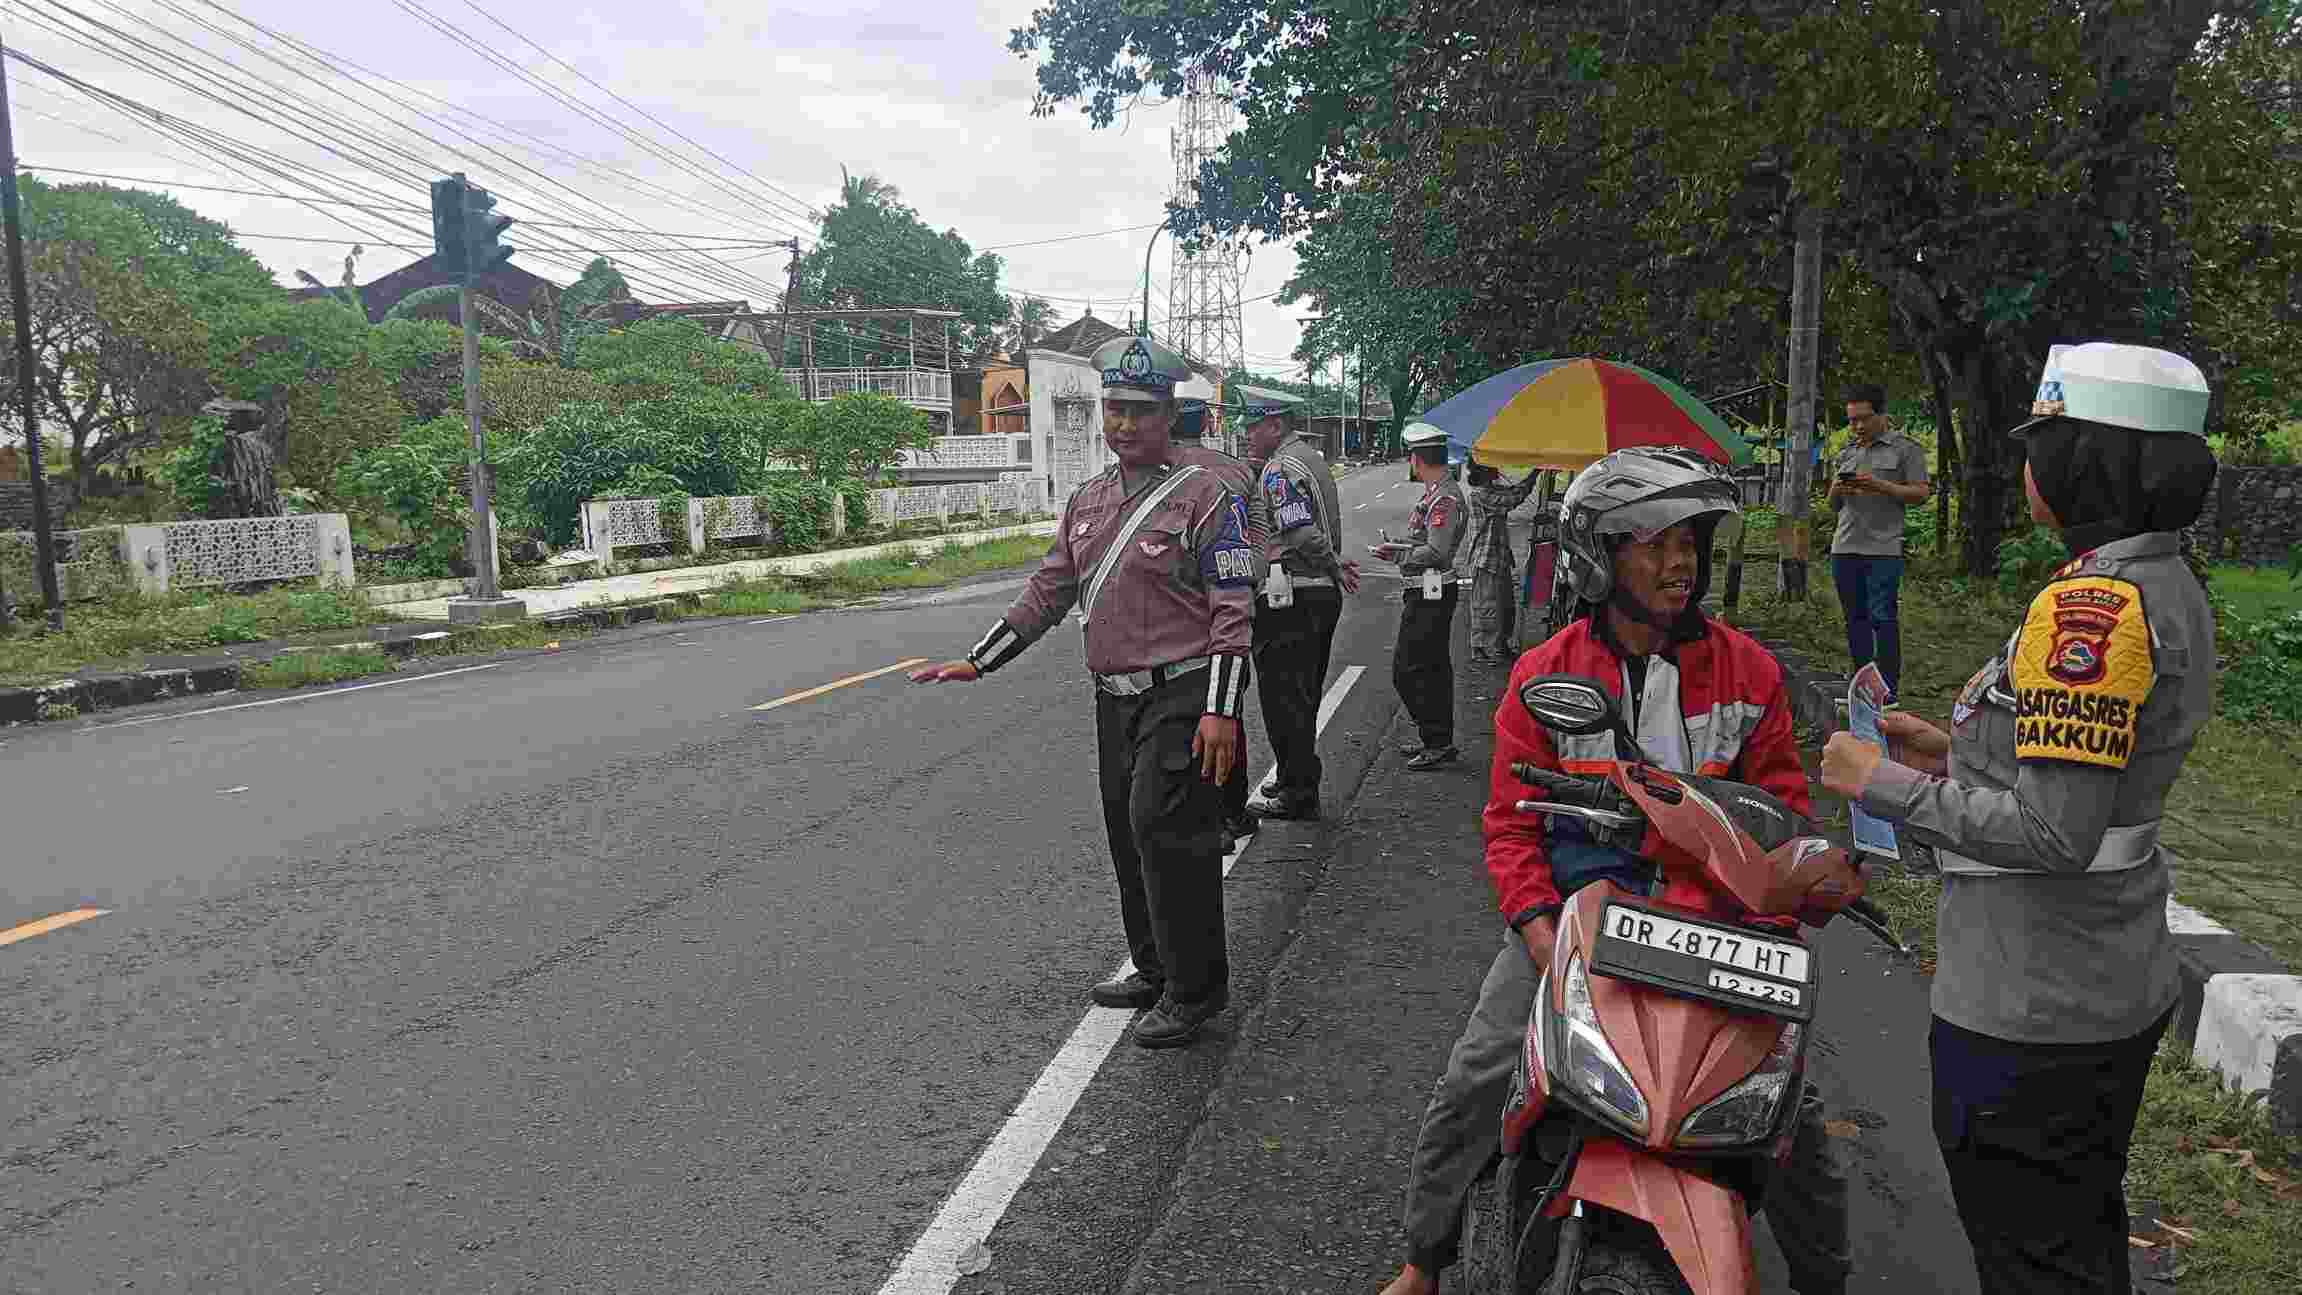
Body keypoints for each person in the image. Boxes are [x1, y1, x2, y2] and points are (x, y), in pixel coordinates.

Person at [1379, 446, 1850, 1295]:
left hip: (1718, 924)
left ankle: (1828, 1280)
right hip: (1582, 917)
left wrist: (1782, 912)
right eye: (1654, 541)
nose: (1681, 562)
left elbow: (1784, 808)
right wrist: (1537, 927)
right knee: (1479, 1070)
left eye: (1691, 541)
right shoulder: (1545, 673)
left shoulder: (1748, 670)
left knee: (1795, 1115)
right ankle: (1425, 1257)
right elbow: (1509, 825)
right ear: (1600, 554)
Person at [1820, 342, 2219, 1295]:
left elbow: (2052, 833)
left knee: (2031, 1257)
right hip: (2102, 977)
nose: (2027, 465)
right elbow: (2083, 780)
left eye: (2045, 441)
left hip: (2034, 999)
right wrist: (1954, 755)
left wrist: (1881, 780)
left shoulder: (2091, 609)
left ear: (2090, 462)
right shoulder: (2159, 580)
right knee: (2074, 1236)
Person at [910, 336, 1258, 1049]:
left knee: (1170, 833)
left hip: (1183, 694)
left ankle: (1196, 990)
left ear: (1168, 414)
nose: (1124, 423)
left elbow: (1232, 608)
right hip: (1115, 697)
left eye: (1139, 410)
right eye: (1114, 409)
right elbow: (1049, 589)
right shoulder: (1088, 501)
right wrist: (980, 660)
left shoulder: (1206, 500)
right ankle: (1156, 967)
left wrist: (1222, 710)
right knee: (1128, 832)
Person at [1243, 402, 1360, 821]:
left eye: (1254, 427)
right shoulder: (1310, 458)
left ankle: (1298, 790)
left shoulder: (1279, 470)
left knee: (1283, 698)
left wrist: (1330, 562)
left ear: (1275, 426)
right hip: (1315, 595)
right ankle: (1294, 773)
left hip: (1293, 595)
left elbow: (1300, 529)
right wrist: (1333, 564)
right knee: (1302, 694)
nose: (1249, 434)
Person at [1173, 395, 1270, 849]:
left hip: (1181, 609)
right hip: (1231, 601)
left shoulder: (1160, 471)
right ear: (1206, 425)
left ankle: (1207, 817)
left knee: (1183, 714)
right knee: (1226, 706)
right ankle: (1233, 811)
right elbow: (1260, 531)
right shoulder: (1236, 470)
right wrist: (1250, 573)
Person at [1826, 383, 1930, 696]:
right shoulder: (1847, 452)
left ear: (1882, 415)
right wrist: (1836, 490)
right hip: (1844, 548)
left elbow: (1921, 493)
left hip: (1883, 549)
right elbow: (1832, 505)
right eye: (1852, 420)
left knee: (1882, 617)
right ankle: (1860, 683)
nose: (1857, 426)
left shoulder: (1905, 449)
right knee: (1854, 618)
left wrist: (1881, 485)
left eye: (1864, 418)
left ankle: (1887, 688)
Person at [1376, 422, 1468, 770]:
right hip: (1427, 589)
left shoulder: (1444, 497)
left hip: (1432, 590)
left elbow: (1436, 552)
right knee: (1431, 668)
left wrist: (1397, 555)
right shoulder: (1436, 492)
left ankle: (1436, 738)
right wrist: (1400, 545)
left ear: (1416, 459)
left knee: (1409, 669)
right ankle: (1436, 738)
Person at [1464, 461, 1541, 666]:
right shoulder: (1481, 495)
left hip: (1498, 558)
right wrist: (1535, 475)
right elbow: (1513, 498)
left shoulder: (1489, 490)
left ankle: (1498, 645)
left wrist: (1533, 476)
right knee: (1487, 606)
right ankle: (1483, 647)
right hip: (1486, 559)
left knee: (1504, 606)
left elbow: (1512, 492)